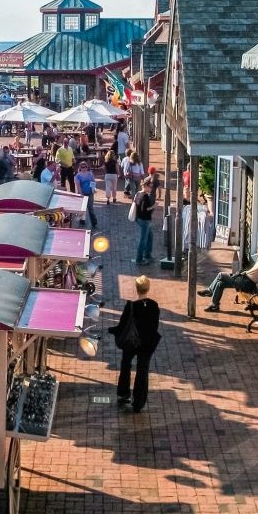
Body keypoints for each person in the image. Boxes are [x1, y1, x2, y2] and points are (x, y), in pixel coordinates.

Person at [107, 275, 161, 413]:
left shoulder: (131, 306)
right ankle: (138, 402)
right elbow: (154, 326)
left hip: (131, 342)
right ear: (148, 288)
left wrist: (112, 330)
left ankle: (124, 393)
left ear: (136, 288)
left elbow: (122, 326)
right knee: (142, 370)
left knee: (126, 365)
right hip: (147, 344)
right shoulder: (154, 306)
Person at [198, 242, 258, 312]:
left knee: (221, 275)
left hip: (247, 283)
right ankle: (214, 305)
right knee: (220, 283)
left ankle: (210, 291)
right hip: (243, 278)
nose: (257, 249)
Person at [134, 177, 156, 265]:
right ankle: (139, 259)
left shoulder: (138, 193)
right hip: (145, 220)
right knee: (143, 239)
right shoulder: (145, 196)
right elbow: (145, 209)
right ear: (146, 186)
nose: (151, 189)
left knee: (150, 237)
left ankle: (147, 254)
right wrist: (154, 206)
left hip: (139, 218)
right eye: (150, 187)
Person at [74, 161, 98, 229]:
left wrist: (93, 189)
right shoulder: (78, 176)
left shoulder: (90, 174)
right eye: (82, 167)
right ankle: (82, 221)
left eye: (85, 167)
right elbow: (78, 186)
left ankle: (94, 223)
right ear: (80, 168)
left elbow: (93, 182)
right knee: (83, 209)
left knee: (90, 208)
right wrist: (81, 194)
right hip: (83, 193)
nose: (84, 168)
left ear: (87, 167)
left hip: (90, 193)